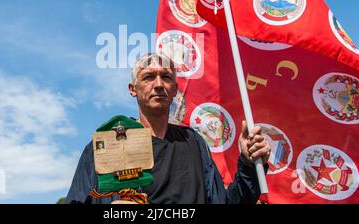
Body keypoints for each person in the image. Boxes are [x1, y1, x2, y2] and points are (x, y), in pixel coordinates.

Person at [66, 53, 271, 204]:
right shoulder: (106, 144)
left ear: (174, 90)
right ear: (132, 90)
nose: (158, 84)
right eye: (148, 77)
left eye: (166, 77)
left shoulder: (193, 142)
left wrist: (249, 163)